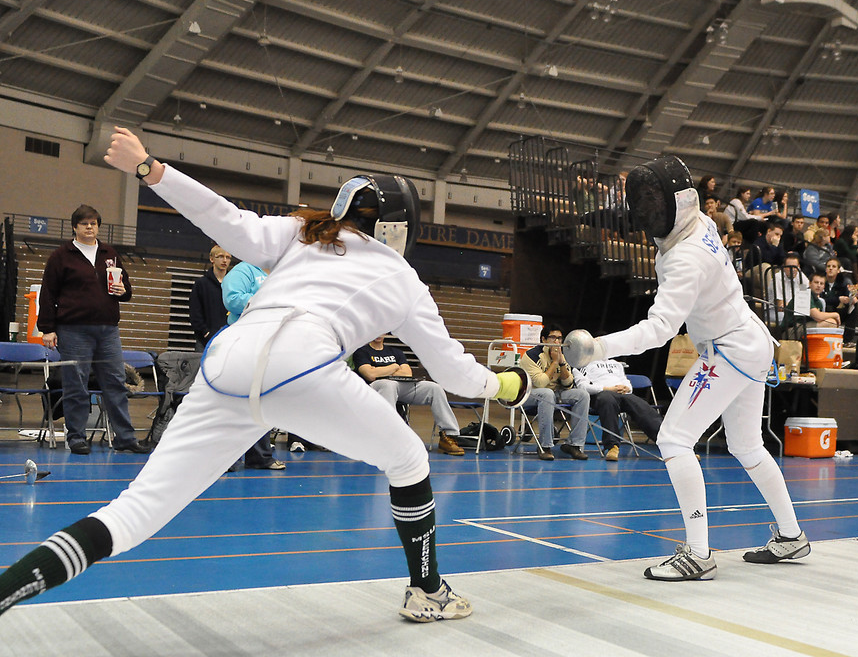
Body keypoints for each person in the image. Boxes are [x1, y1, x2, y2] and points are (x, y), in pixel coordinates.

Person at [0, 126, 530, 623]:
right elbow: (456, 373)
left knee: (134, 513)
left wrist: (149, 168)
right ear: (397, 227)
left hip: (227, 362)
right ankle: (428, 592)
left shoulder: (303, 235)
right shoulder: (404, 278)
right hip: (304, 367)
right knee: (409, 456)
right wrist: (510, 384)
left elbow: (225, 219)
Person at [564, 156, 809, 582]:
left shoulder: (684, 259)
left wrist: (597, 347)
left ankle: (697, 553)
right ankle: (791, 536)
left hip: (729, 349)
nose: (644, 212)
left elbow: (659, 330)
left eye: (650, 203)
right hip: (751, 340)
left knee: (675, 439)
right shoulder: (703, 225)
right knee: (748, 447)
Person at [37, 204, 149, 456]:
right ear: (75, 227)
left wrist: (125, 291)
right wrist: (47, 328)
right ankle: (76, 436)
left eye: (94, 223)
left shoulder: (110, 252)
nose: (90, 227)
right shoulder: (61, 256)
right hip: (73, 330)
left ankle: (125, 437)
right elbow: (48, 293)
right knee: (76, 384)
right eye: (85, 223)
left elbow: (125, 286)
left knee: (116, 383)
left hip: (108, 330)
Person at [353, 335, 467, 456]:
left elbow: (407, 373)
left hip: (400, 385)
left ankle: (448, 436)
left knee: (435, 388)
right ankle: (389, 437)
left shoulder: (396, 352)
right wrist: (394, 366)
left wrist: (379, 370)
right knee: (388, 385)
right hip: (375, 387)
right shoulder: (362, 352)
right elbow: (370, 375)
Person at [221, 261, 286, 471]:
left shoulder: (281, 273)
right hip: (243, 342)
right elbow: (232, 300)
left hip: (270, 344)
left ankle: (260, 456)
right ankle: (225, 457)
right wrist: (270, 301)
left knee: (259, 402)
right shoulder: (245, 270)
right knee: (235, 401)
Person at [521, 324, 591, 461]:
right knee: (547, 393)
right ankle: (545, 446)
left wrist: (561, 363)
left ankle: (574, 444)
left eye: (559, 338)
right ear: (544, 339)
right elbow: (540, 383)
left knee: (582, 395)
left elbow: (568, 384)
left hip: (555, 392)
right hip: (530, 394)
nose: (557, 342)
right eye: (553, 338)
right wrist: (554, 362)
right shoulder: (531, 356)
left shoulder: (564, 355)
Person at [573, 357, 661, 461]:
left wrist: (627, 388)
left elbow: (625, 380)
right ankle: (612, 447)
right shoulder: (582, 365)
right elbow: (583, 387)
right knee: (607, 400)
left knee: (641, 405)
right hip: (600, 395)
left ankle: (664, 439)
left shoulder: (616, 364)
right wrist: (607, 388)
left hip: (622, 393)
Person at [188, 245, 232, 350]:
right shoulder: (201, 284)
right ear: (212, 259)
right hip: (205, 341)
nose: (224, 260)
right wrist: (205, 332)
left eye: (228, 257)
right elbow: (195, 312)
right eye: (220, 256)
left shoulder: (233, 284)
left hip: (229, 339)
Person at [779, 271, 841, 337]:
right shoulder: (803, 294)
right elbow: (818, 317)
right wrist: (836, 315)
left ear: (824, 287)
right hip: (791, 330)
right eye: (816, 282)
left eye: (821, 283)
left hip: (804, 327)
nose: (819, 285)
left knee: (830, 322)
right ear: (810, 283)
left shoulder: (819, 302)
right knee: (831, 323)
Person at [821, 258, 858, 343]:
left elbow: (850, 295)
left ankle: (847, 340)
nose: (830, 268)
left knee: (855, 308)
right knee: (829, 306)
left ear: (838, 270)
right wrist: (838, 299)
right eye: (828, 266)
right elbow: (820, 299)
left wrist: (851, 299)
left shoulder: (844, 281)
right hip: (823, 311)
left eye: (834, 266)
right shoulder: (820, 281)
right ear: (825, 269)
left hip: (839, 311)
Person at [769, 252, 810, 325]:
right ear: (783, 267)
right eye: (789, 267)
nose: (792, 270)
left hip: (795, 311)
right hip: (774, 311)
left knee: (821, 301)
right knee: (784, 317)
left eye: (795, 267)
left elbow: (804, 300)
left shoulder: (802, 278)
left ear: (799, 267)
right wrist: (798, 305)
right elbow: (780, 306)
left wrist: (800, 306)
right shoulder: (778, 278)